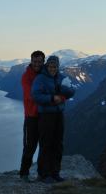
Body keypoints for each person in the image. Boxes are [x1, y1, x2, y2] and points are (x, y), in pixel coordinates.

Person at [31, 55, 75, 183]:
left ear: (58, 66)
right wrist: (51, 98)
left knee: (58, 144)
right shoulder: (40, 78)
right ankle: (44, 174)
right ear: (47, 66)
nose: (52, 68)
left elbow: (72, 91)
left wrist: (64, 90)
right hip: (46, 115)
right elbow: (36, 95)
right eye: (50, 66)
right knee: (46, 144)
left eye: (55, 66)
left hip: (59, 114)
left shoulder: (62, 78)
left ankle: (55, 173)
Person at [19, 50, 45, 181]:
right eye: (35, 61)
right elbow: (31, 95)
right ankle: (24, 173)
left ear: (43, 62)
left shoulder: (47, 73)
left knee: (44, 146)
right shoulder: (26, 76)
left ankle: (42, 174)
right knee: (30, 146)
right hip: (31, 116)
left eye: (40, 62)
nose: (37, 64)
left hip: (45, 116)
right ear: (31, 61)